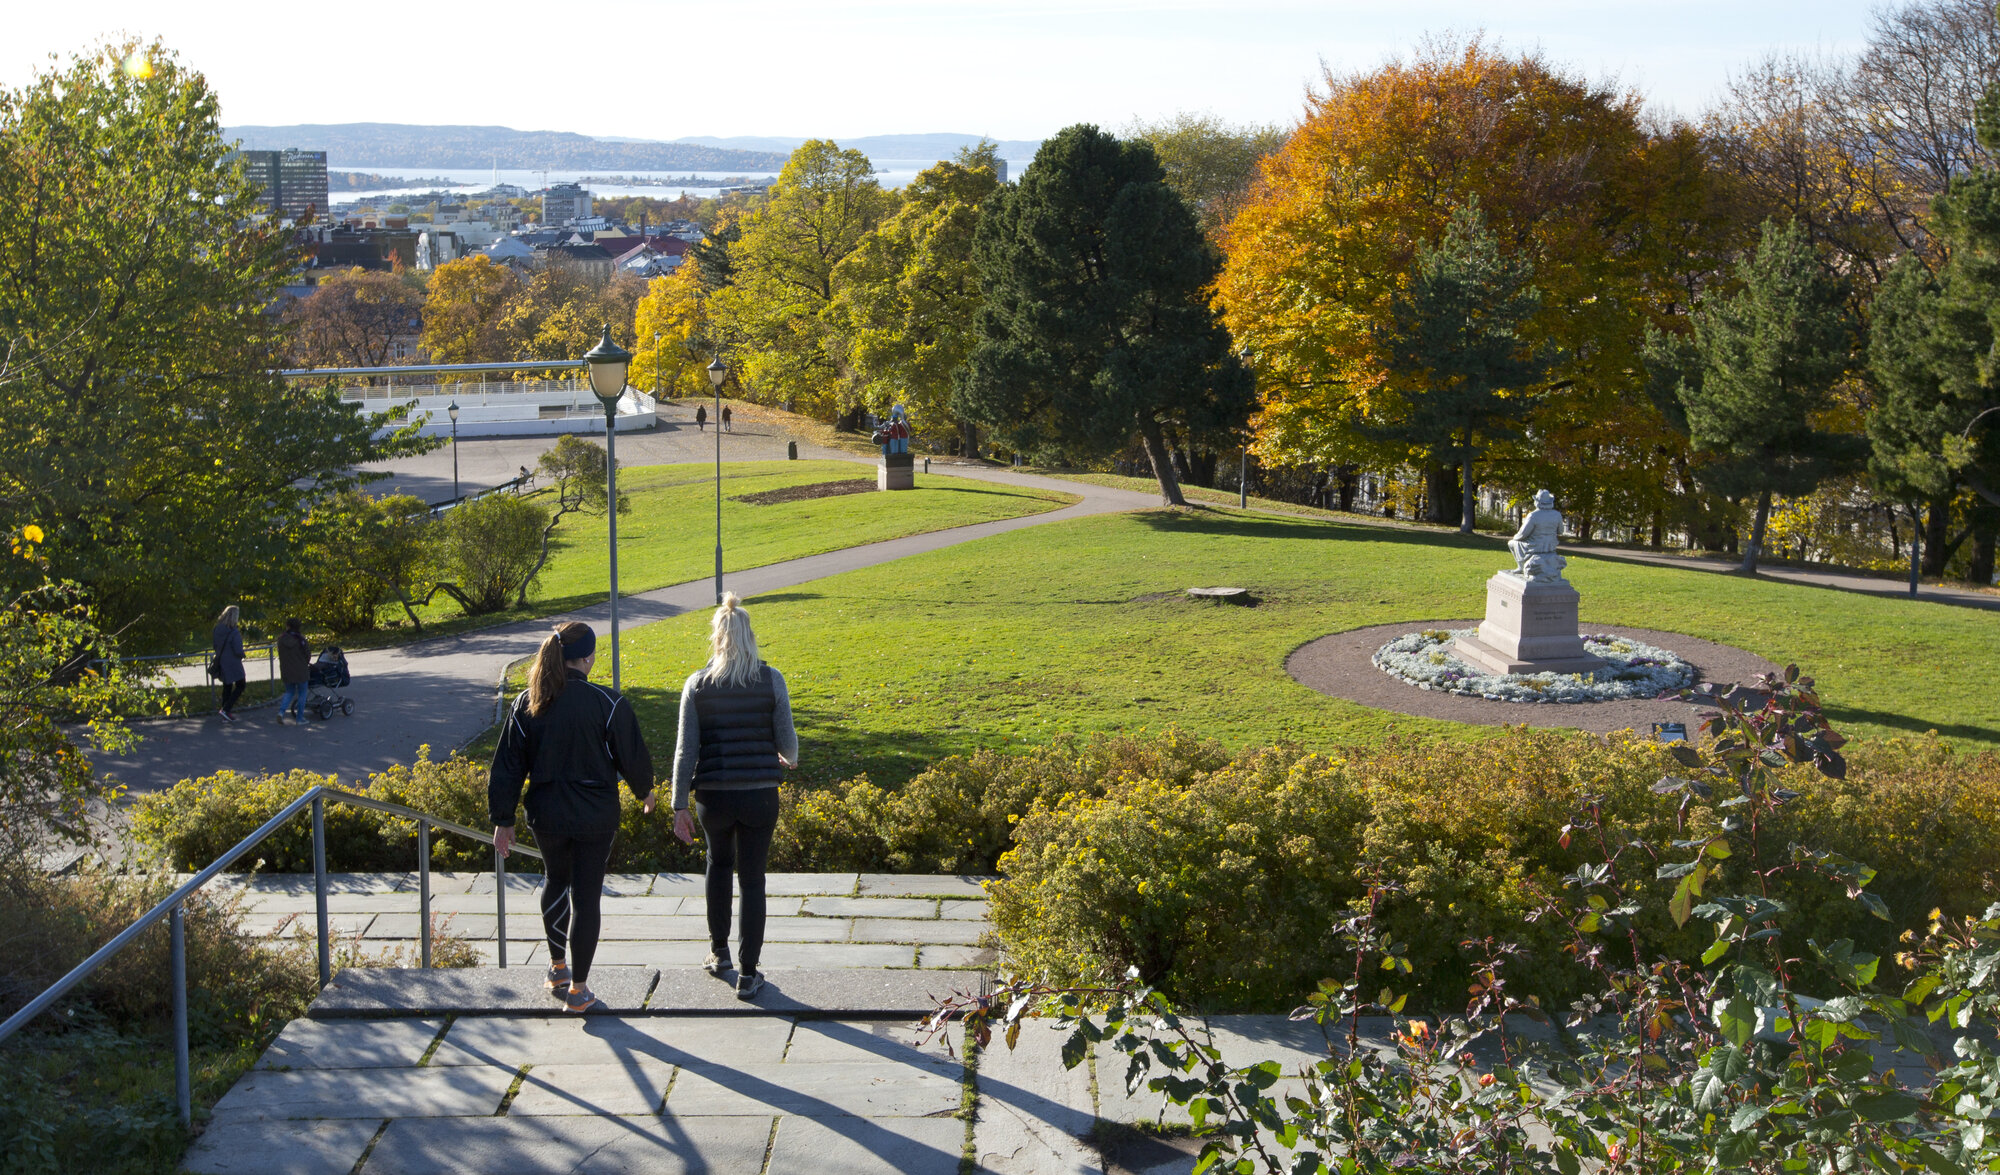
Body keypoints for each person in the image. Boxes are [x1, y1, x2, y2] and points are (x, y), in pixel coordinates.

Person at [489, 621, 656, 1014]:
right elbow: (631, 755)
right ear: (588, 658)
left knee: (555, 881)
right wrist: (645, 791)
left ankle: (558, 969)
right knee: (586, 896)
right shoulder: (608, 702)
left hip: (546, 815)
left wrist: (503, 818)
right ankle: (580, 991)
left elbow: (507, 767)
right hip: (596, 815)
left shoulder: (527, 704)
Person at [671, 593, 797, 1001]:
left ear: (718, 638)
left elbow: (685, 752)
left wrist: (678, 804)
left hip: (714, 797)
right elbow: (789, 745)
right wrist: (786, 756)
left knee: (718, 865)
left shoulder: (698, 684)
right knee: (753, 879)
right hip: (760, 794)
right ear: (750, 637)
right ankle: (748, 973)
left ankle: (719, 952)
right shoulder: (771, 678)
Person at [211, 605, 247, 722]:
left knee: (227, 685)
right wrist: (242, 654)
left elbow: (215, 645)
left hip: (222, 660)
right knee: (241, 685)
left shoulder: (217, 629)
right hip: (233, 662)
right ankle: (226, 709)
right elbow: (237, 649)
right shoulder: (234, 632)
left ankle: (225, 711)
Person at [276, 618, 310, 725]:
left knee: (289, 692)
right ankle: (299, 719)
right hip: (301, 671)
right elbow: (307, 655)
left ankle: (281, 712)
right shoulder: (300, 640)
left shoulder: (281, 639)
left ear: (288, 626)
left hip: (286, 670)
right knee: (302, 693)